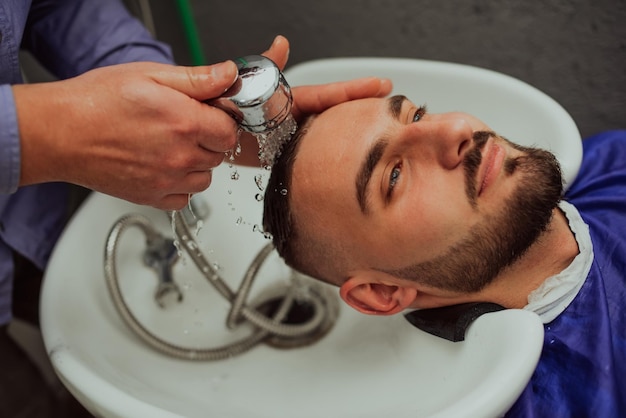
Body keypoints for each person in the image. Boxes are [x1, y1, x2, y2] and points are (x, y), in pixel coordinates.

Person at [0, 1, 392, 416]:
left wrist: (170, 106)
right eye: (394, 176)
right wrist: (42, 137)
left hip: (30, 217)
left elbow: (60, 7)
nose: (458, 130)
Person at [262, 94, 626, 416]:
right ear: (382, 292)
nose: (456, 127)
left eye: (416, 116)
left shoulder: (612, 162)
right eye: (394, 176)